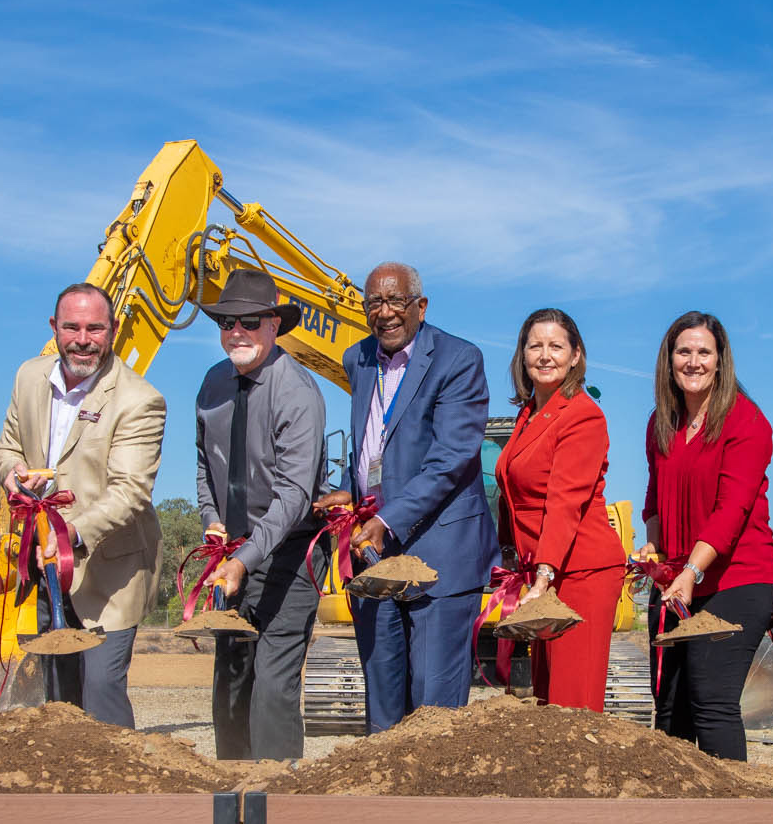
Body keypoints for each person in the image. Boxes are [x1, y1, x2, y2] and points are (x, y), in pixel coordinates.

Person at [313, 262, 495, 733]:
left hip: (440, 556)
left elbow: (450, 457)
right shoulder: (359, 359)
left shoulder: (458, 360)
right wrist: (354, 495)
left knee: (433, 713)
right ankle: (383, 807)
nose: (386, 312)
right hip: (376, 554)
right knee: (383, 706)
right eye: (375, 302)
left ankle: (435, 807)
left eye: (396, 301)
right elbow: (378, 446)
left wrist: (389, 516)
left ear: (421, 305)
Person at [0, 283, 166, 728]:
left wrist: (70, 537)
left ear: (114, 330)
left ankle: (121, 793)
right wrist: (13, 475)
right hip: (44, 569)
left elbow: (129, 492)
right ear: (54, 327)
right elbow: (5, 449)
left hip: (110, 573)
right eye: (71, 327)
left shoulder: (139, 400)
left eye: (95, 328)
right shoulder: (29, 378)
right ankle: (66, 795)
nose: (82, 339)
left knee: (100, 692)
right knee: (57, 696)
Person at [195, 269, 329, 761]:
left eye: (250, 321)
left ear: (274, 325)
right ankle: (232, 800)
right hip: (231, 556)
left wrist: (246, 558)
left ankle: (278, 807)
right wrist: (213, 524)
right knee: (230, 690)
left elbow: (294, 494)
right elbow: (204, 465)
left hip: (288, 559)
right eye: (227, 322)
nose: (237, 331)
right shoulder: (212, 384)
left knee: (272, 690)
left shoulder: (296, 390)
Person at [641, 311, 773, 759]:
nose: (694, 361)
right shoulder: (661, 423)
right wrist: (655, 552)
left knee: (711, 701)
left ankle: (737, 817)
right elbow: (654, 501)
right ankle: (677, 819)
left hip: (735, 579)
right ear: (669, 360)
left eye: (704, 352)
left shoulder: (746, 421)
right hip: (677, 582)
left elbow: (732, 510)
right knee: (668, 710)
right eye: (684, 351)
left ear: (721, 362)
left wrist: (691, 571)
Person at [494, 307, 620, 712]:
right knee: (547, 705)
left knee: (573, 707)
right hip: (543, 573)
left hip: (579, 572)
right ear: (522, 355)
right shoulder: (527, 414)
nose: (545, 355)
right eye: (536, 346)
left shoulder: (583, 416)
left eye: (556, 346)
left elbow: (564, 502)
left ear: (576, 356)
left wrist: (543, 576)